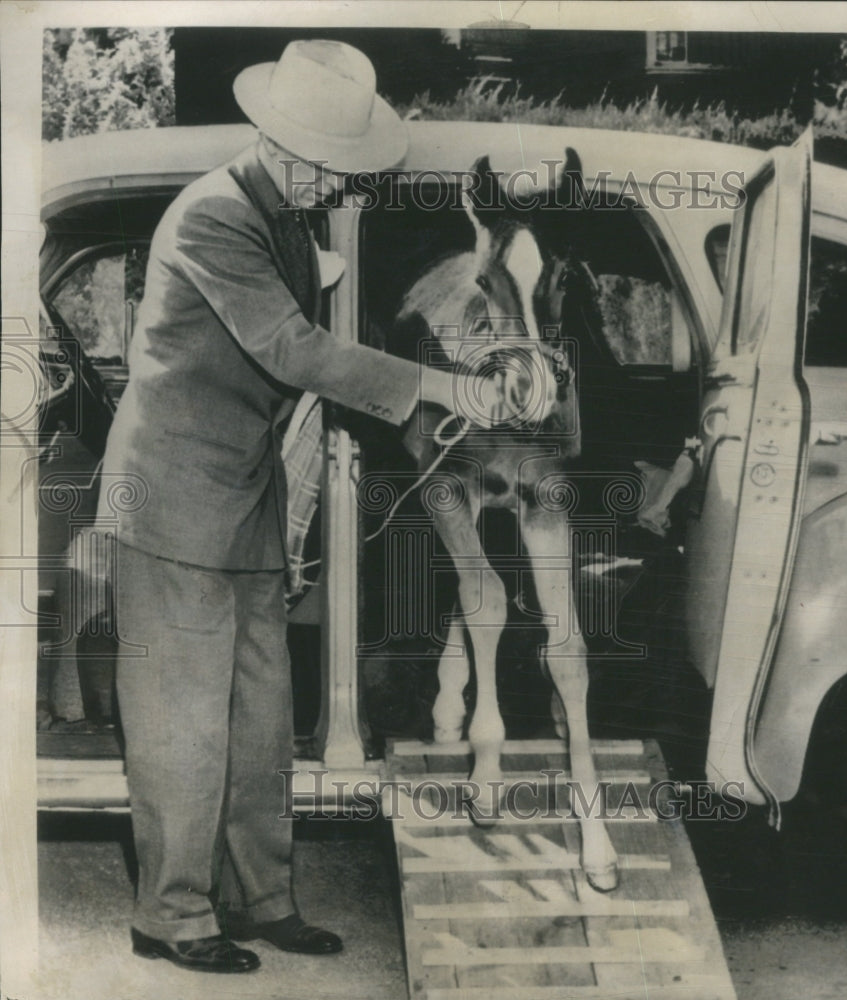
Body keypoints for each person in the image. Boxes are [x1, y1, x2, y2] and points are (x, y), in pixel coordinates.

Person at [99, 39, 521, 974]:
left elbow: (317, 342)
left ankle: (262, 900)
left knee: (259, 716)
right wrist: (447, 390)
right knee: (182, 723)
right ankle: (171, 916)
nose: (341, 192)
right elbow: (295, 351)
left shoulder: (283, 216)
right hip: (169, 500)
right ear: (285, 150)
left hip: (243, 494)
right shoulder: (216, 215)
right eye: (334, 175)